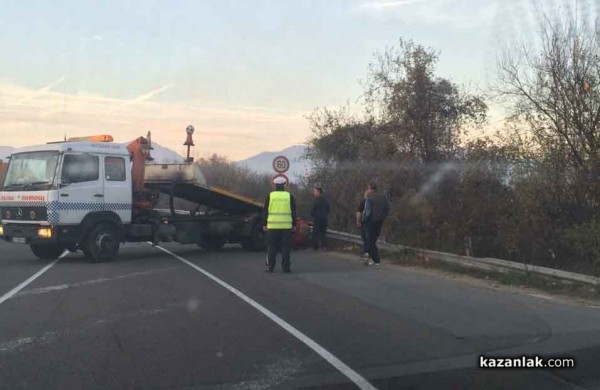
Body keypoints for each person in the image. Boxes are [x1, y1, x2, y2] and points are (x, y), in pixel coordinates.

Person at [263, 176, 297, 273]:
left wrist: (264, 224)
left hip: (273, 226)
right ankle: (286, 267)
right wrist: (294, 225)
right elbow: (293, 212)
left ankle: (270, 267)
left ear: (274, 185)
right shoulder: (289, 196)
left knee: (272, 247)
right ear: (285, 185)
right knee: (285, 247)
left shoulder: (270, 196)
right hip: (286, 227)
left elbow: (265, 211)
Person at [360, 183, 390, 266]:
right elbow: (387, 208)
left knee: (369, 240)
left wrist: (363, 220)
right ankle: (371, 258)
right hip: (380, 220)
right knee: (373, 239)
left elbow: (368, 211)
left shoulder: (369, 197)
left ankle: (375, 259)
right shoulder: (383, 197)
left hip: (370, 221)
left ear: (369, 188)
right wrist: (383, 217)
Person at [310, 187, 330, 251]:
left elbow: (312, 211)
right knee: (323, 234)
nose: (314, 193)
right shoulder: (326, 201)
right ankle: (324, 247)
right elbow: (328, 209)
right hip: (324, 219)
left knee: (315, 233)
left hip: (317, 219)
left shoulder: (316, 201)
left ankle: (315, 246)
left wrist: (314, 216)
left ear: (319, 192)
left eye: (315, 191)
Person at [356, 190, 371, 262]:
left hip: (365, 223)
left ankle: (366, 254)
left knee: (365, 239)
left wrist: (358, 221)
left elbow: (359, 213)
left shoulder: (363, 202)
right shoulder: (375, 202)